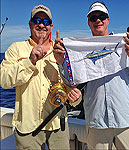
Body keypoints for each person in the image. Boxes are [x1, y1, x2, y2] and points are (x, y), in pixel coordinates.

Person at [53, 1, 129, 150]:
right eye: (93, 18)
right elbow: (70, 82)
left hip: (126, 120)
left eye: (102, 16)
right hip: (97, 122)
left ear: (108, 20)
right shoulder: (78, 52)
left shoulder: (126, 45)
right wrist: (60, 62)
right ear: (89, 23)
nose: (98, 20)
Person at [0, 4, 81, 150]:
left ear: (51, 26)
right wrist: (30, 61)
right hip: (27, 128)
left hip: (58, 125)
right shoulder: (16, 48)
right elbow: (4, 81)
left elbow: (73, 87)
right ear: (30, 24)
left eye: (46, 22)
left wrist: (76, 98)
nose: (41, 25)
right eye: (37, 20)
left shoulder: (63, 51)